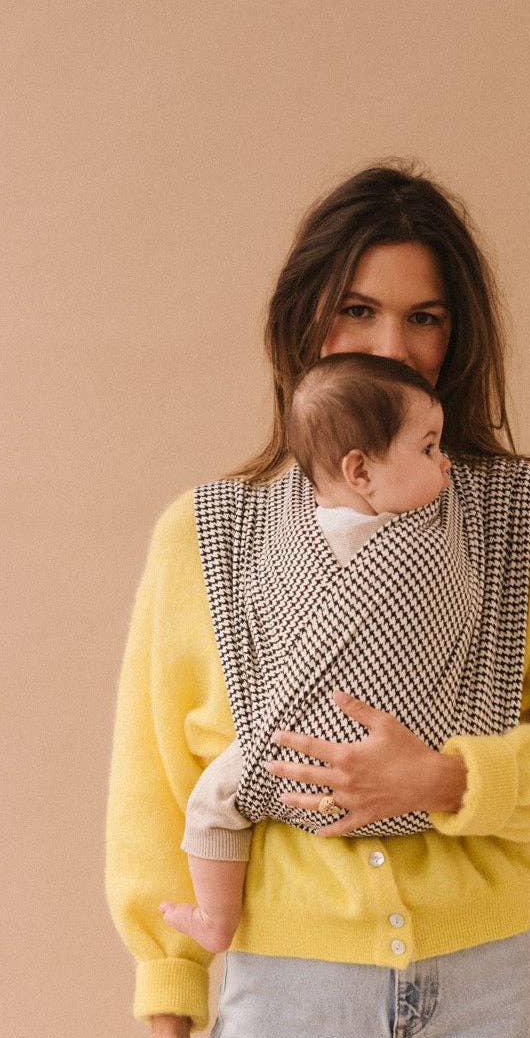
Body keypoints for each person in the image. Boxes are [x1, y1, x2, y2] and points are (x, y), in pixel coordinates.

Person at [104, 161, 530, 1038]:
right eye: (357, 308)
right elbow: (154, 788)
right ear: (303, 315)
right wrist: (167, 1008)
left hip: (487, 991)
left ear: (460, 336)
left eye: (424, 317)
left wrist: (444, 779)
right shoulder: (206, 535)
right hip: (286, 983)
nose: (390, 344)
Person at [160, 351, 454, 954]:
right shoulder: (275, 538)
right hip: (296, 741)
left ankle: (217, 916)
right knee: (210, 799)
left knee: (215, 803)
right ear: (360, 470)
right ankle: (217, 918)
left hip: (399, 751)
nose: (446, 463)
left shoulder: (436, 539)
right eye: (428, 449)